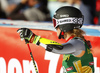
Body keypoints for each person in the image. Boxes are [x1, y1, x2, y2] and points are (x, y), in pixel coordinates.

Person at [17, 6, 94, 73]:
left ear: (64, 24)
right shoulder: (78, 42)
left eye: (55, 23)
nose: (55, 27)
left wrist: (33, 38)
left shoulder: (78, 43)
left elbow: (59, 48)